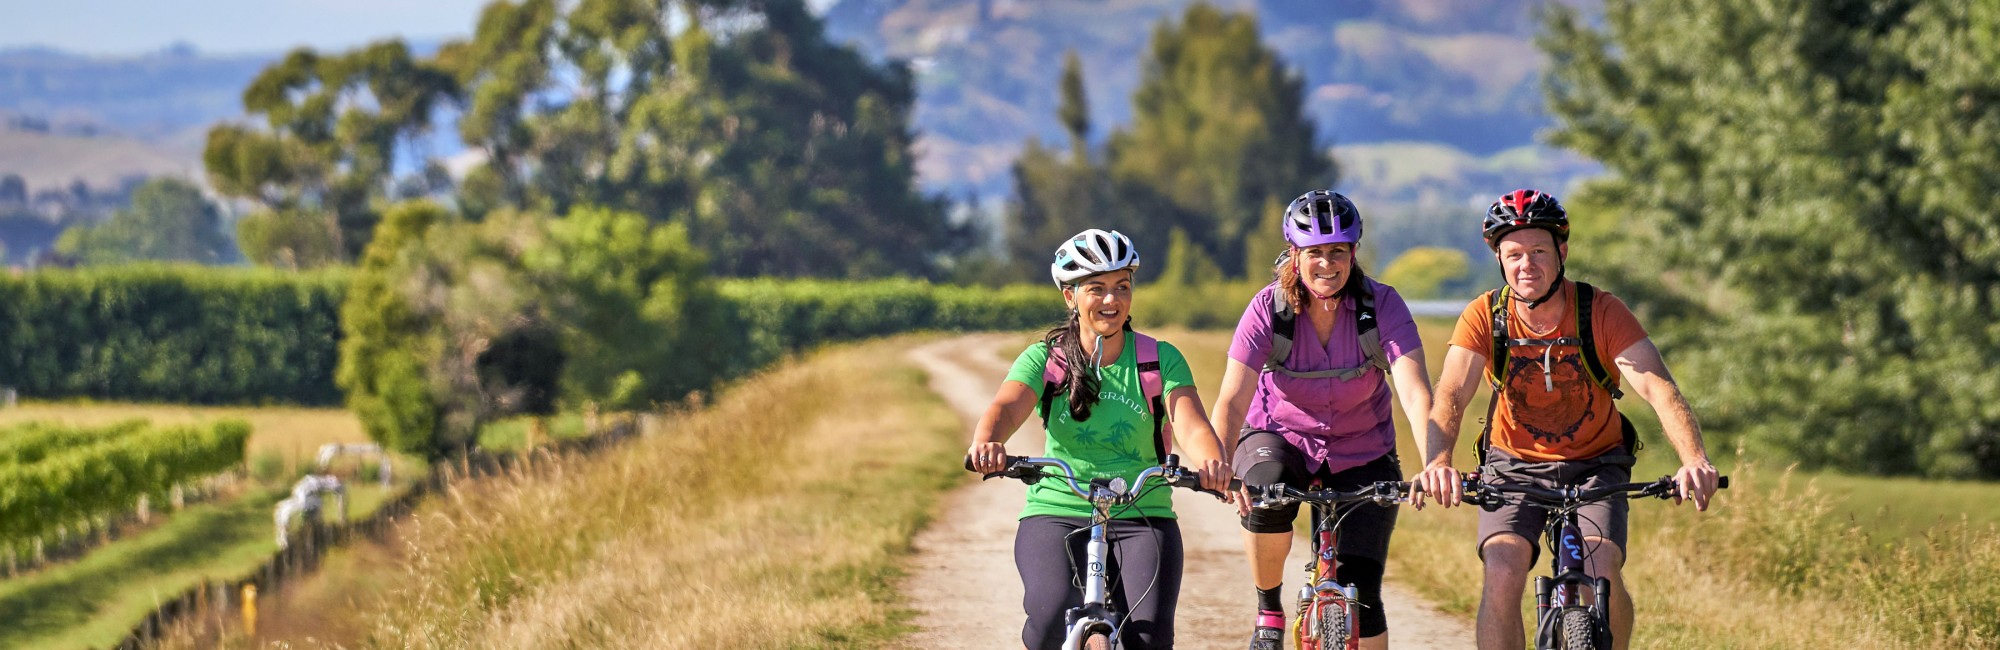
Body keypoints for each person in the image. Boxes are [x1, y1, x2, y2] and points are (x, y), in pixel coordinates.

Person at [1409, 189, 1722, 650]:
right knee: (1501, 571)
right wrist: (1438, 462)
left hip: (1597, 464)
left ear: (1562, 253)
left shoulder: (1601, 311)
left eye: (1538, 251)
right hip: (1512, 465)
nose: (1526, 265)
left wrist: (1694, 458)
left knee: (1602, 571)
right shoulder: (1485, 316)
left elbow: (1658, 386)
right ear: (1499, 259)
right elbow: (1453, 391)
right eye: (1513, 254)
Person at [967, 228, 1235, 650]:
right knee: (1050, 613)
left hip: (1142, 510)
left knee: (1149, 636)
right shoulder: (1046, 358)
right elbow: (1005, 408)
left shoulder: (1158, 358)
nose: (1111, 300)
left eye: (1121, 287)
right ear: (1070, 297)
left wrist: (1211, 462)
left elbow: (1190, 422)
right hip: (1058, 508)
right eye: (1097, 289)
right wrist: (988, 442)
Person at [1208, 190, 1433, 650]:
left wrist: (1436, 461)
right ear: (1295, 254)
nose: (1326, 264)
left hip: (1362, 445)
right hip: (1279, 435)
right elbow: (1233, 397)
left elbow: (1414, 391)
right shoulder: (1269, 309)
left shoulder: (1382, 307)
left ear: (1353, 253)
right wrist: (1219, 460)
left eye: (1338, 252)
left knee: (1364, 592)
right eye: (1314, 253)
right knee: (1268, 492)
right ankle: (1269, 611)